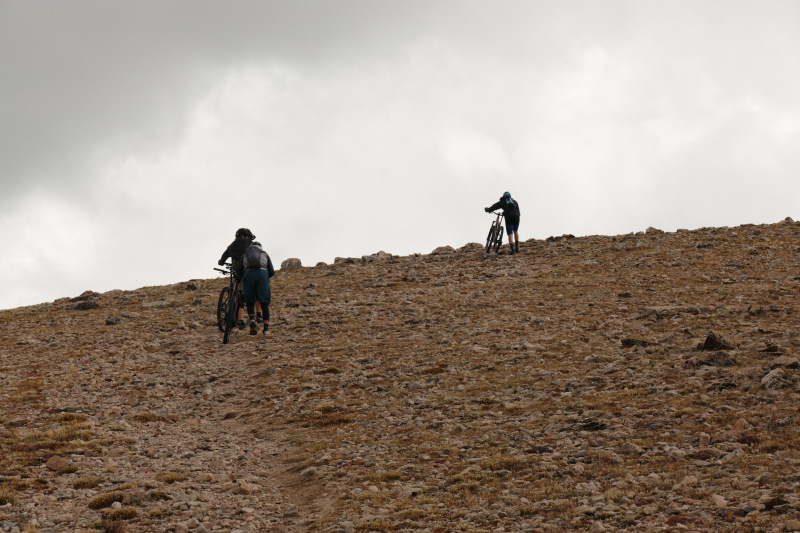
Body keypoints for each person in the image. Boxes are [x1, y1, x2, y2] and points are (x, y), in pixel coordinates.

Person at [218, 228, 256, 329]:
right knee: (242, 293)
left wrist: (221, 262)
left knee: (234, 285)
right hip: (245, 270)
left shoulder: (233, 245)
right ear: (244, 236)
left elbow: (225, 255)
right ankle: (239, 317)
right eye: (248, 237)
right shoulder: (250, 244)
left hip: (234, 269)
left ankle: (229, 308)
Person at [241, 241, 275, 335]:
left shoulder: (245, 255)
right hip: (262, 274)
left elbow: (239, 272)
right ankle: (266, 329)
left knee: (250, 300)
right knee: (264, 302)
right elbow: (272, 272)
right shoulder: (264, 254)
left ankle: (252, 319)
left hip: (248, 275)